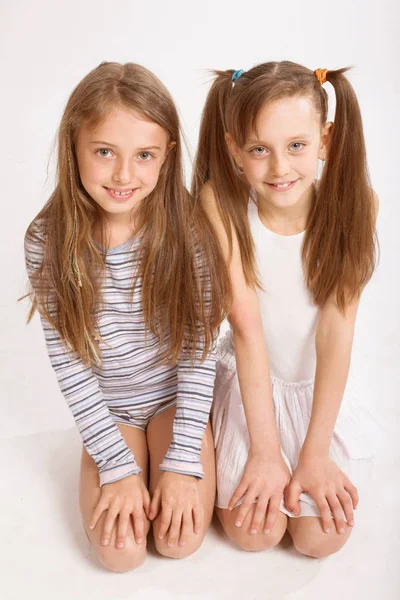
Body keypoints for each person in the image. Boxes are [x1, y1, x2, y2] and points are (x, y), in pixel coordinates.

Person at [24, 61, 230, 572]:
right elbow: (70, 363)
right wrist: (114, 465)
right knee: (119, 557)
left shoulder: (189, 232)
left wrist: (182, 463)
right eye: (104, 152)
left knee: (179, 542)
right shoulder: (46, 242)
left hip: (173, 402)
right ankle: (114, 457)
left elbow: (199, 351)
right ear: (74, 148)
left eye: (144, 155)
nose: (123, 175)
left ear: (167, 157)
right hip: (109, 412)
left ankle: (166, 455)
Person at [193, 61, 379, 558]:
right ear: (234, 150)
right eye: (259, 149)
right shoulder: (222, 206)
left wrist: (313, 455)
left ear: (325, 139)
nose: (280, 168)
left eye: (296, 146)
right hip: (252, 390)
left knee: (322, 539)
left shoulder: (357, 205)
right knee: (254, 535)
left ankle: (310, 453)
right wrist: (264, 451)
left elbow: (335, 334)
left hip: (317, 390)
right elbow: (248, 330)